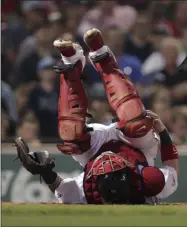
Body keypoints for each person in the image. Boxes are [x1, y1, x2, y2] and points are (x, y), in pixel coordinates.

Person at [15, 28, 179, 205]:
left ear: (95, 184)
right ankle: (104, 60)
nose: (108, 159)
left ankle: (72, 64)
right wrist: (162, 131)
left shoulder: (86, 192)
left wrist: (45, 172)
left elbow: (61, 189)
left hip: (94, 151)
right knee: (136, 122)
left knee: (71, 133)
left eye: (104, 171)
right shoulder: (149, 183)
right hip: (136, 147)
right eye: (116, 168)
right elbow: (172, 169)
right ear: (131, 177)